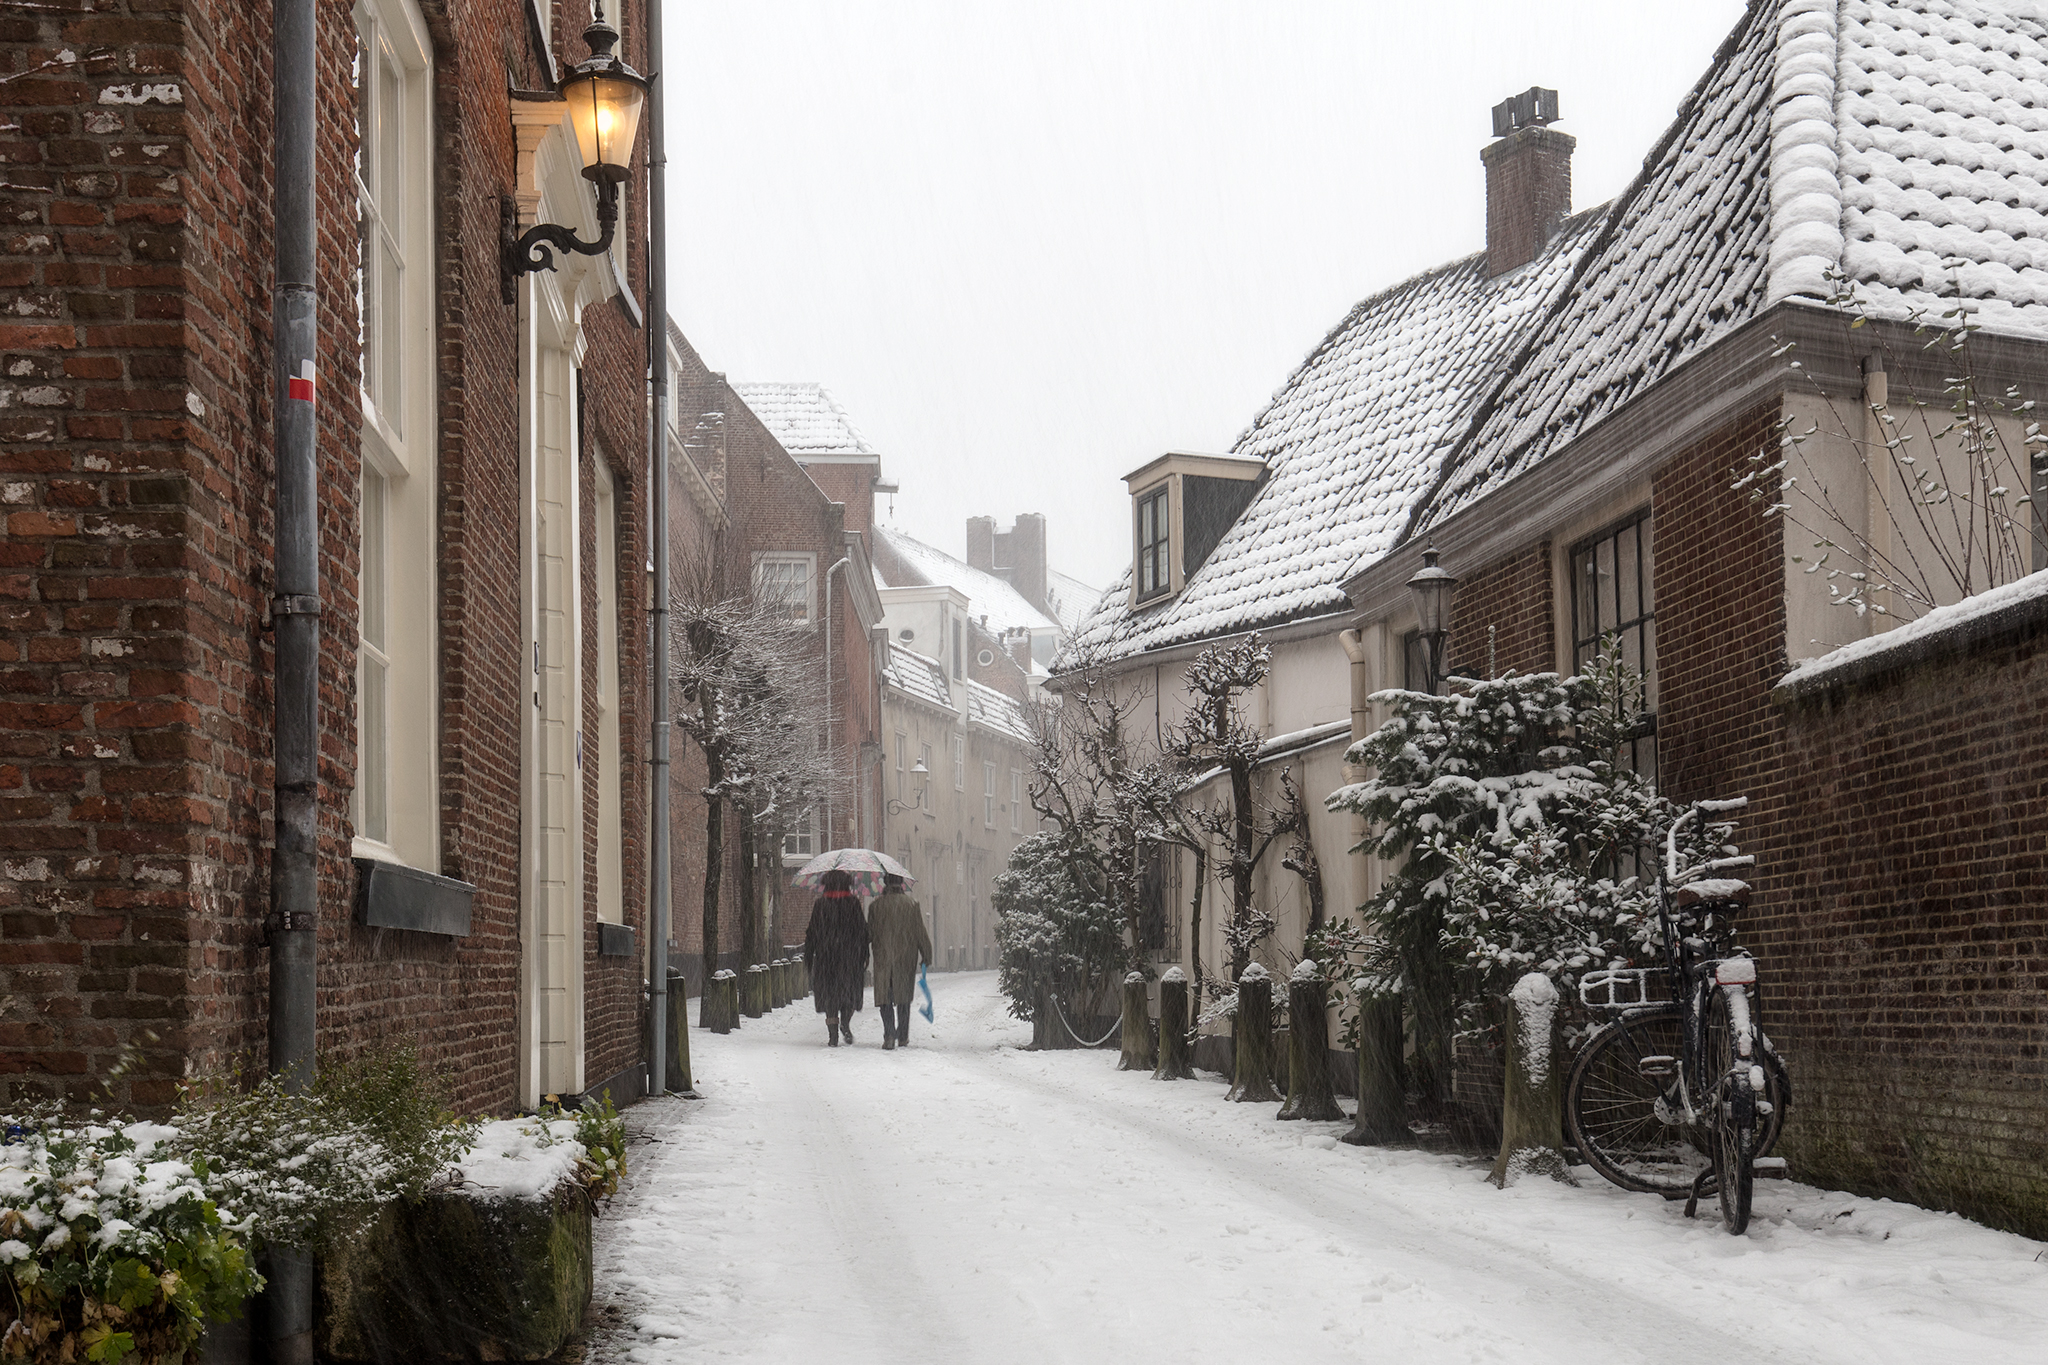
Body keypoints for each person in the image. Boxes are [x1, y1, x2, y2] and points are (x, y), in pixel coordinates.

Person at [865, 873, 932, 1050]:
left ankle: (889, 1034)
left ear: (885, 884)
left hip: (883, 957)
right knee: (903, 997)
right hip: (905, 957)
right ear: (901, 884)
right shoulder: (911, 905)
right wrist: (926, 954)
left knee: (884, 997)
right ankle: (902, 1035)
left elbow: (869, 935)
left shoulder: (875, 907)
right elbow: (920, 932)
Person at [803, 869, 870, 1046]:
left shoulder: (821, 905)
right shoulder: (853, 904)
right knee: (848, 994)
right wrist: (864, 954)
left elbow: (811, 934)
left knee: (830, 996)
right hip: (850, 959)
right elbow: (862, 932)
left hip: (826, 960)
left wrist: (809, 957)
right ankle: (846, 1023)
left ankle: (833, 1034)